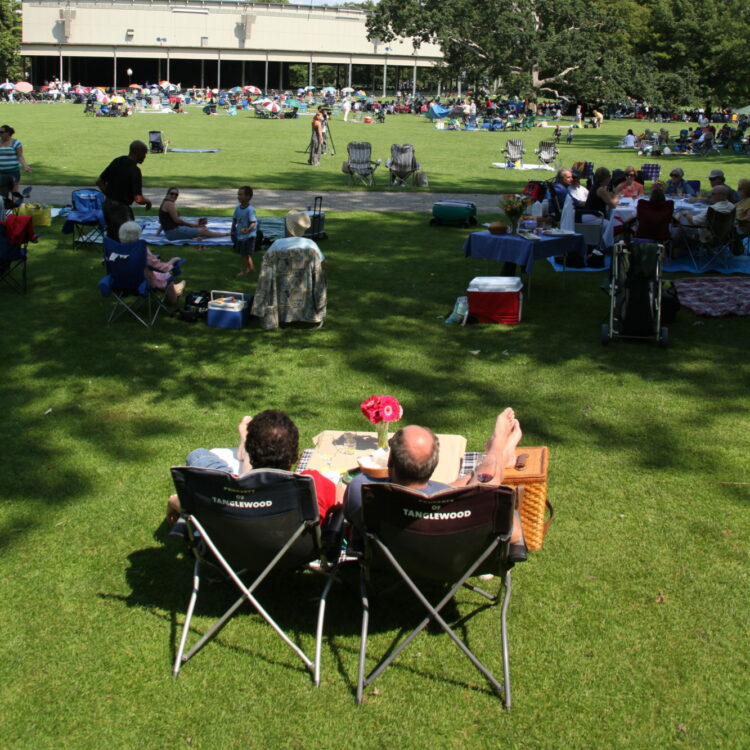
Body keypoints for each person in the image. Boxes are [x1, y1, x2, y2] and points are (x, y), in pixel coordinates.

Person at [343, 408, 527, 563]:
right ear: (436, 462)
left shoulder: (362, 490)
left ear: (390, 460)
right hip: (451, 563)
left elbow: (458, 487)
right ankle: (498, 451)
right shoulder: (449, 500)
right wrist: (498, 446)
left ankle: (498, 454)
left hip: (388, 564)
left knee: (478, 483)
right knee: (485, 486)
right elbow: (515, 532)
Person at [166, 409, 340, 526]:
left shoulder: (223, 492)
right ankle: (246, 445)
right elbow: (347, 499)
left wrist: (176, 501)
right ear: (295, 456)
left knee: (198, 455)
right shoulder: (310, 482)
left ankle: (246, 446)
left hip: (230, 544)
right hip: (293, 553)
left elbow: (201, 510)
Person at [97, 140, 153, 240]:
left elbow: (99, 182)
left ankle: (110, 254)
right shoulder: (135, 171)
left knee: (112, 235)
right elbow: (138, 199)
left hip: (107, 205)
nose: (145, 156)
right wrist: (148, 201)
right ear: (138, 152)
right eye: (144, 153)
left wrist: (110, 195)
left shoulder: (118, 161)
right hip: (121, 209)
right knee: (128, 236)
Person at [118, 221, 185, 304]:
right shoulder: (141, 250)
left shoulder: (116, 249)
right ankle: (174, 297)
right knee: (166, 276)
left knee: (157, 275)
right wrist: (172, 261)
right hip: (142, 282)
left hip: (121, 281)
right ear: (138, 235)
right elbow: (159, 267)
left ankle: (175, 288)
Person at [158, 187, 230, 242]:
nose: (174, 196)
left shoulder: (165, 202)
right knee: (204, 230)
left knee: (201, 229)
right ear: (167, 194)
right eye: (172, 193)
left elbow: (163, 221)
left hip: (171, 233)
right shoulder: (169, 204)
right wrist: (191, 225)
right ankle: (226, 234)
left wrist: (157, 233)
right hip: (174, 233)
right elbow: (177, 220)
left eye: (176, 194)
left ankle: (196, 238)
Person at [0, 125, 32, 200]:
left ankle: (14, 210)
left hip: (13, 172)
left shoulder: (16, 143)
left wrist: (25, 166)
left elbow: (20, 156)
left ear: (8, 133)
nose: (0, 133)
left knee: (14, 192)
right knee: (2, 193)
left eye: (1, 132)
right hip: (1, 172)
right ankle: (3, 210)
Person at [231, 185, 257, 276]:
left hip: (248, 236)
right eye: (238, 195)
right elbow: (234, 219)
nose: (238, 197)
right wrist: (233, 228)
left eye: (241, 195)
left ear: (248, 196)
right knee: (245, 255)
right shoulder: (238, 208)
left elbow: (253, 222)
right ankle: (251, 269)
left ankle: (244, 271)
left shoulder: (250, 210)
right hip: (240, 235)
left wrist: (248, 229)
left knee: (243, 255)